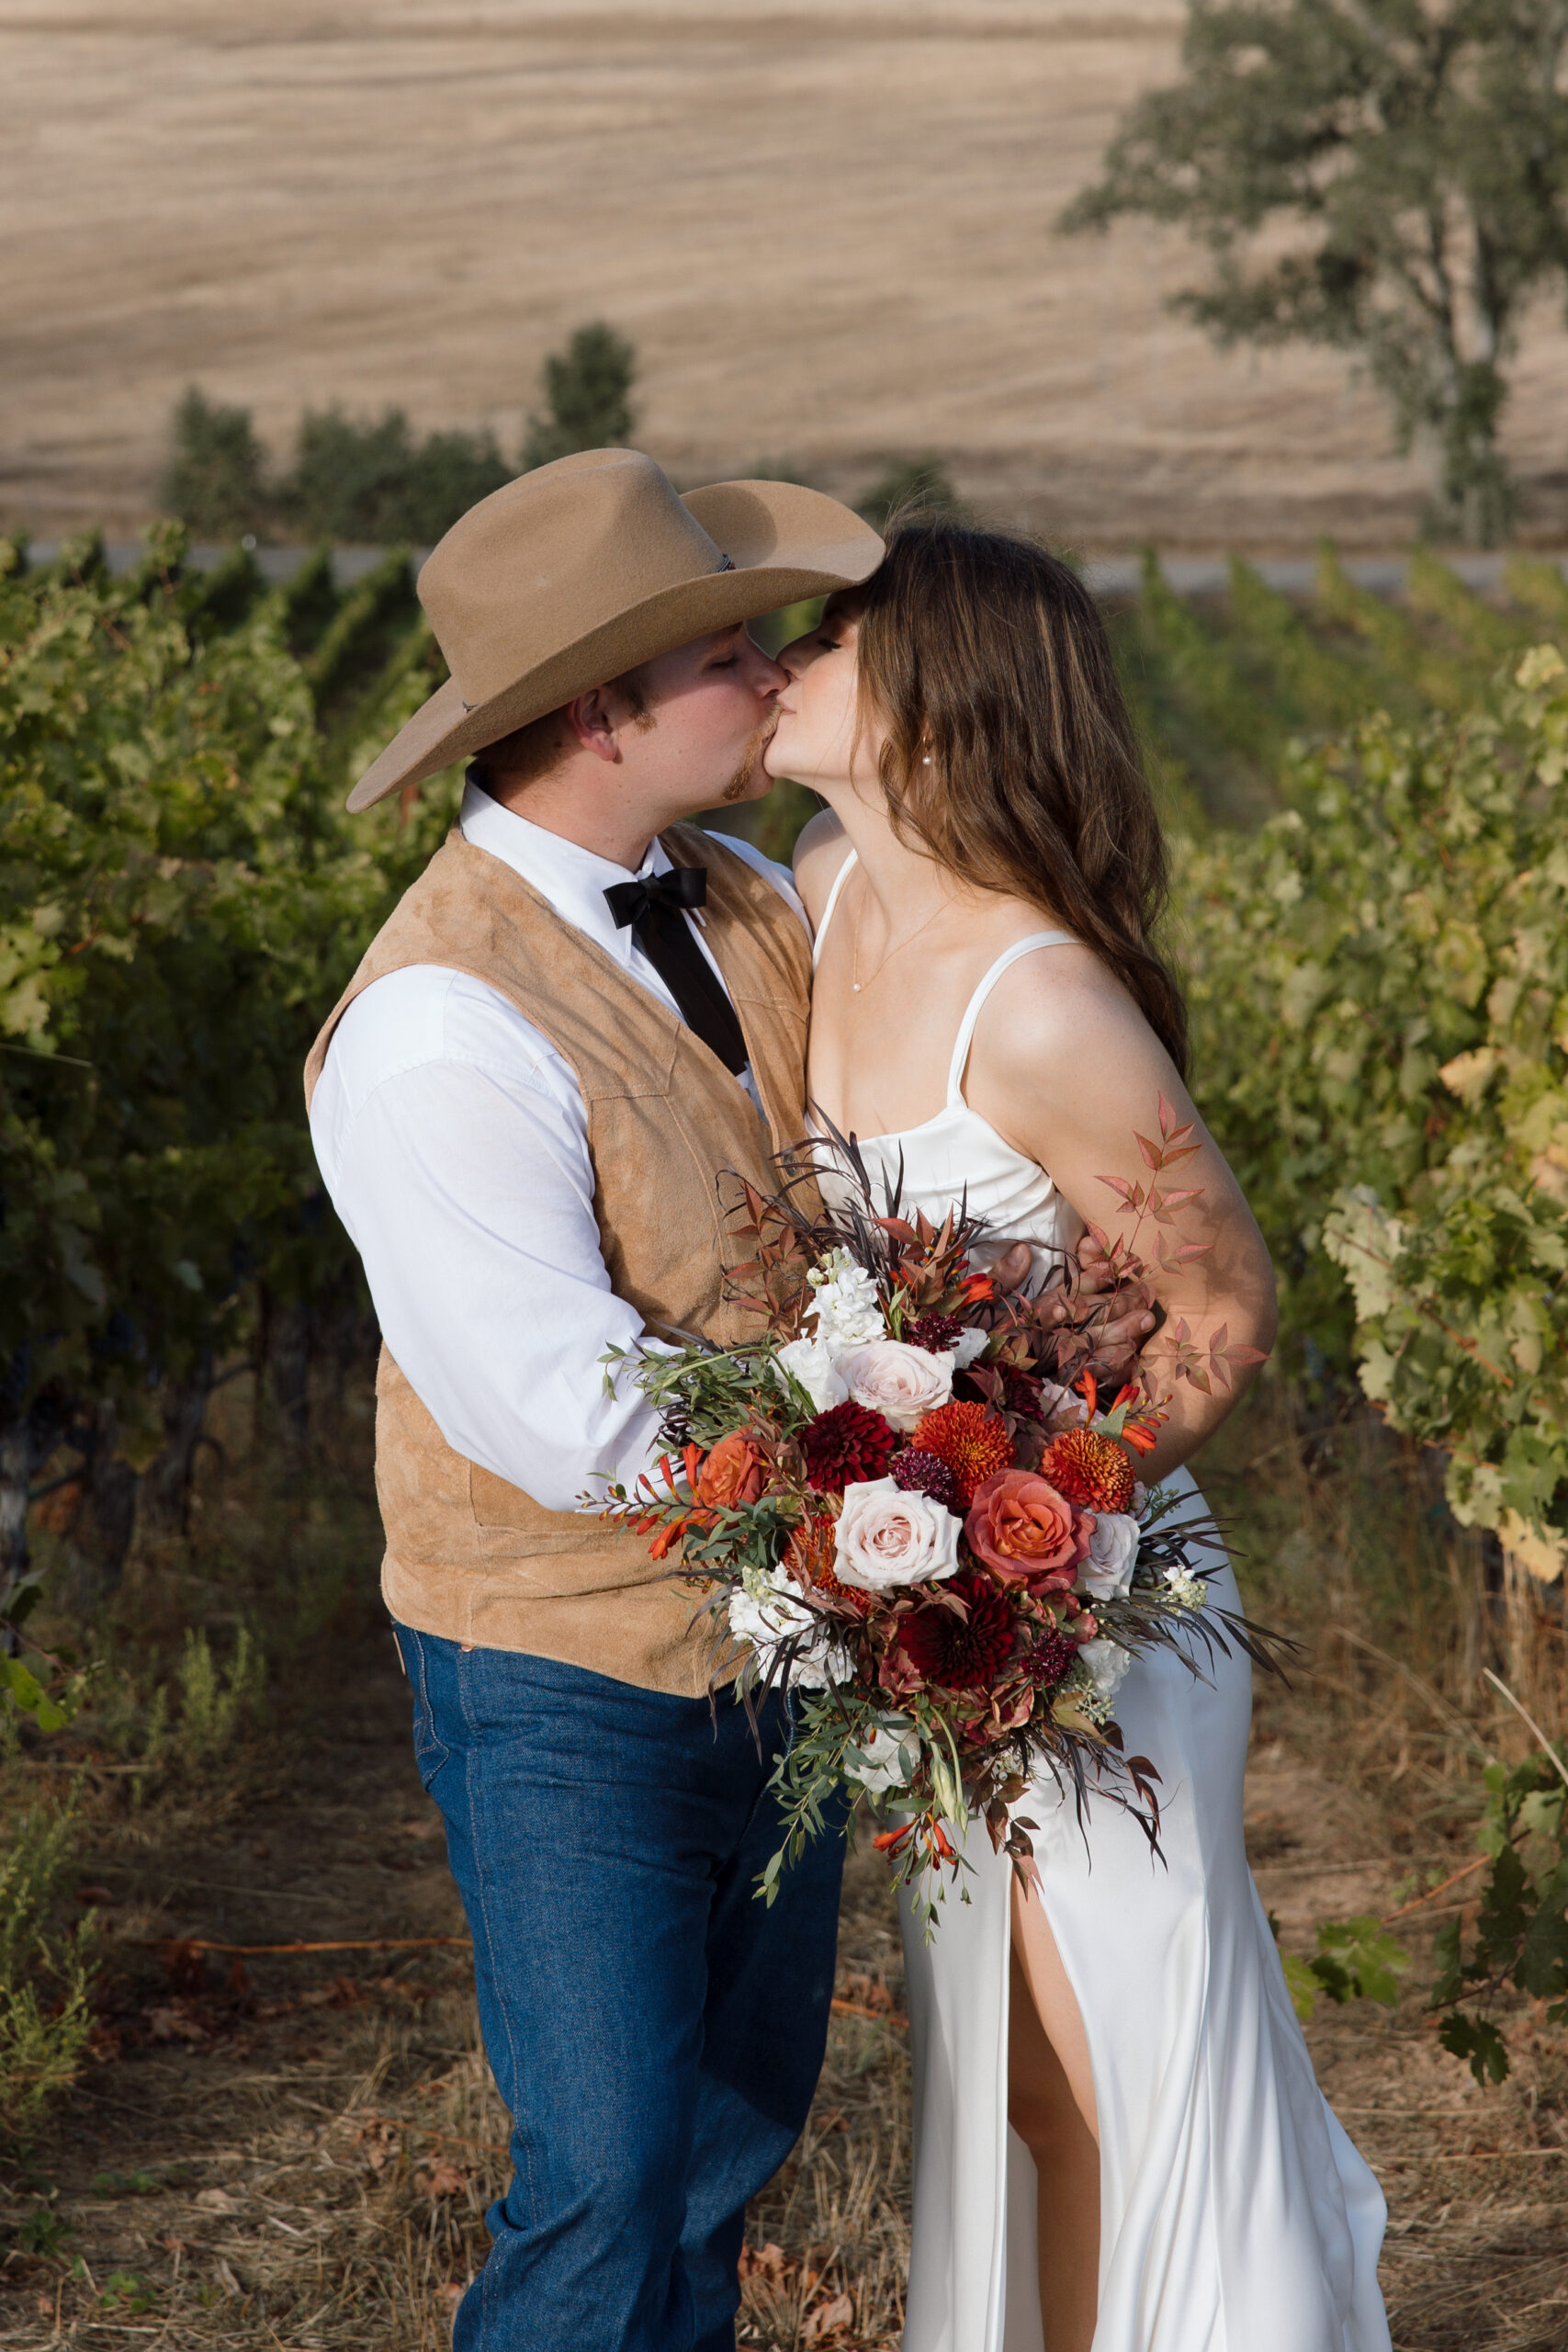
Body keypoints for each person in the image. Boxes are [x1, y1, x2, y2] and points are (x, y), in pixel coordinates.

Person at [768, 519, 1392, 2352]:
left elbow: (1218, 1310)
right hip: (936, 1614)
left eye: (835, 631)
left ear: (929, 694)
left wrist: (1027, 1526)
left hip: (1094, 1613)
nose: (788, 651)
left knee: (1120, 2057)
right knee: (1007, 2076)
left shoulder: (1037, 1002)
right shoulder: (820, 884)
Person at [304, 447, 884, 2352]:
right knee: (605, 2177)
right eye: (726, 648)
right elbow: (570, 1407)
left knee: (723, 2154)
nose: (770, 665)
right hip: (561, 1670)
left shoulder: (737, 897)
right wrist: (881, 1419)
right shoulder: (434, 1020)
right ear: (598, 710)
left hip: (781, 1639)